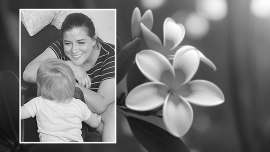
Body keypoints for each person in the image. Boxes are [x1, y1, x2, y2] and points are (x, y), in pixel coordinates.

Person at [23, 12, 115, 142]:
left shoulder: (110, 54)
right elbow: (28, 73)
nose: (74, 50)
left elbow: (100, 105)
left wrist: (67, 81)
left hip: (94, 116)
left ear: (94, 40)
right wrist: (68, 66)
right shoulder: (61, 47)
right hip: (62, 117)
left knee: (112, 111)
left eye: (81, 42)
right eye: (68, 43)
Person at [21, 59, 102, 142]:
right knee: (94, 137)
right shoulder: (79, 104)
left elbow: (19, 114)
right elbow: (94, 123)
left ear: (40, 86)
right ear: (72, 85)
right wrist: (97, 118)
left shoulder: (38, 102)